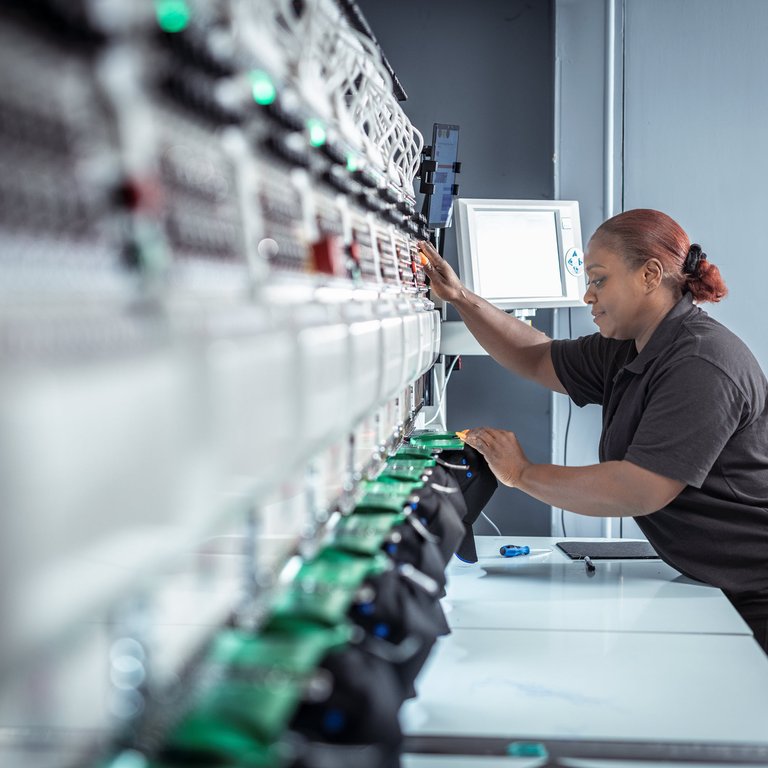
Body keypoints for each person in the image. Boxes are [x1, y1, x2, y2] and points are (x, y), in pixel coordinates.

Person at [417, 208, 768, 653]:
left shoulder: (700, 363)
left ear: (650, 274)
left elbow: (639, 488)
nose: (587, 295)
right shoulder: (630, 347)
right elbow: (538, 357)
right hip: (715, 579)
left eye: (599, 280)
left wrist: (521, 473)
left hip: (757, 588)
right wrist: (460, 297)